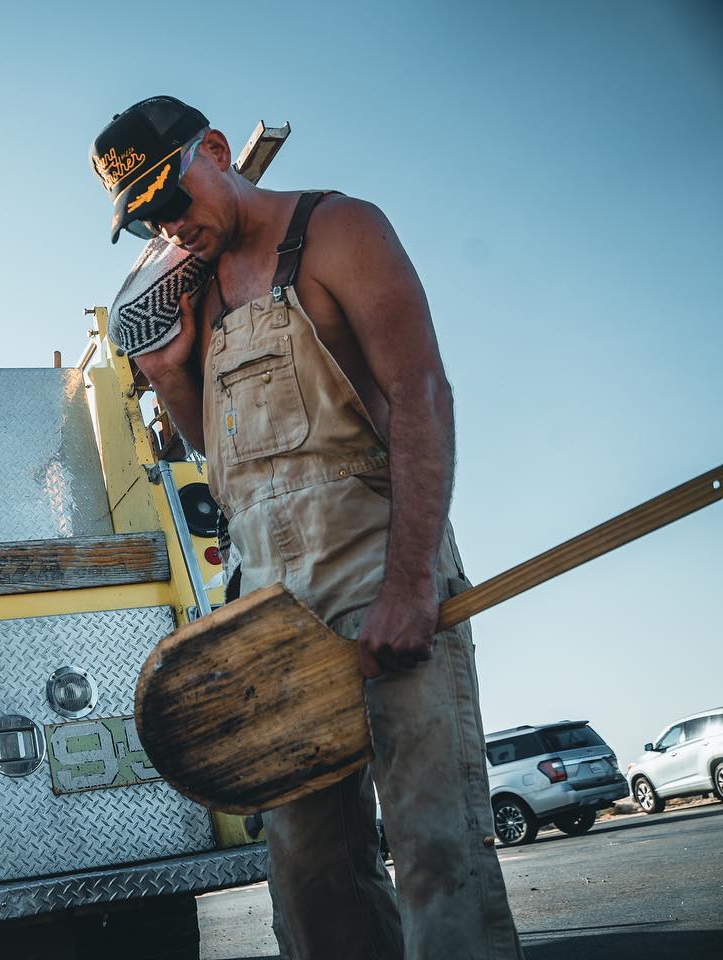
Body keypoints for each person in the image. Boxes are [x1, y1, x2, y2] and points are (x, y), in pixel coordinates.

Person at [90, 96, 525, 959]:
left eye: (172, 198)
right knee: (310, 882)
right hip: (273, 624)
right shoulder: (200, 294)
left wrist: (408, 589)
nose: (170, 225)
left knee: (437, 859)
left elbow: (420, 397)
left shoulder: (340, 232)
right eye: (148, 218)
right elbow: (233, 470)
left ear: (214, 150)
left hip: (380, 580)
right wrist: (174, 372)